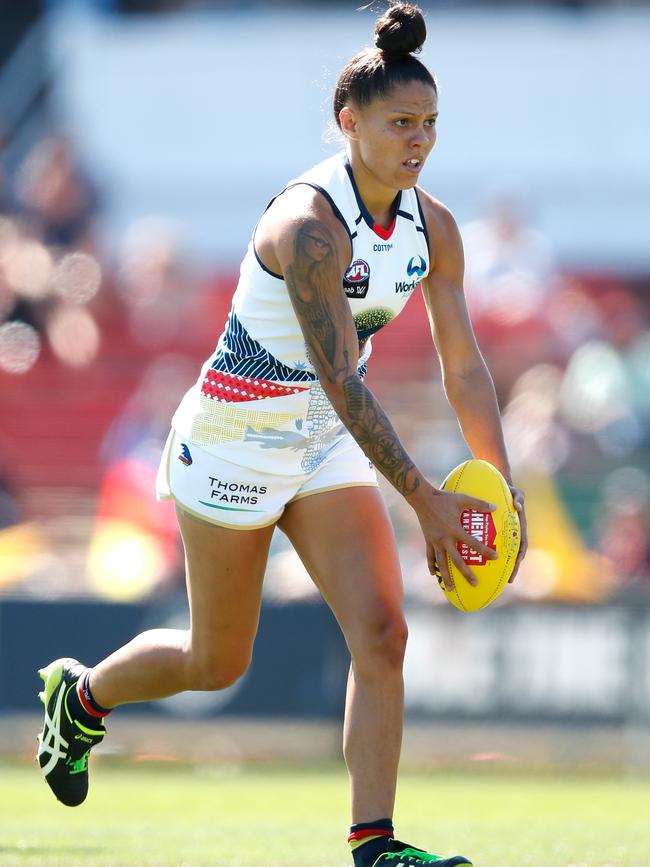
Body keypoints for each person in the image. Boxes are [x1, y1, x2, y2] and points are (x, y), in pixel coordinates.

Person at [37, 4, 527, 866]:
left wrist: (500, 486)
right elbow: (342, 381)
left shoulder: (433, 228)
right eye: (400, 123)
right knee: (214, 660)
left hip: (323, 440)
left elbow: (465, 370)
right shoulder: (308, 228)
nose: (419, 141)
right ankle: (81, 699)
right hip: (234, 437)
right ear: (349, 122)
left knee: (383, 633)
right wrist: (427, 503)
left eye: (431, 125)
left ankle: (374, 845)